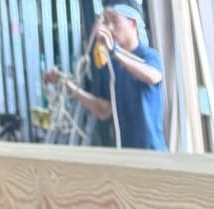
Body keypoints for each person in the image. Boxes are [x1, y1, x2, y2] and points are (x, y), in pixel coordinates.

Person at [45, 3, 165, 151]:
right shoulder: (110, 66)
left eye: (115, 21)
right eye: (107, 23)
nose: (110, 28)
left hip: (152, 151)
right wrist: (68, 85)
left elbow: (153, 76)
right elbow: (103, 110)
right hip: (126, 152)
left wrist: (114, 51)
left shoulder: (148, 55)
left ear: (133, 23)